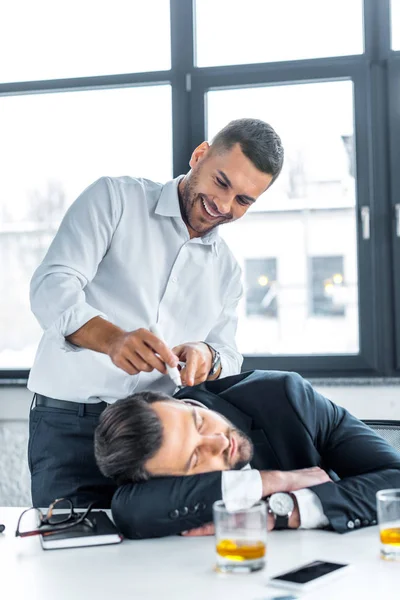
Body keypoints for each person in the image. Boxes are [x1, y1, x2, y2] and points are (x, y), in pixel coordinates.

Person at [27, 119, 284, 508]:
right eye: (221, 182)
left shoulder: (227, 271)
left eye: (244, 201)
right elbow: (51, 286)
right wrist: (113, 339)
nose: (224, 206)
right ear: (199, 156)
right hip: (71, 430)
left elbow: (228, 355)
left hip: (167, 448)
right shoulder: (114, 199)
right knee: (73, 557)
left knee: (162, 563)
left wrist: (206, 355)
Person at [94, 370, 400, 539]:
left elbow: (396, 479)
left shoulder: (287, 399)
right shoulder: (145, 467)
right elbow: (129, 512)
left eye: (199, 422)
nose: (216, 442)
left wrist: (286, 509)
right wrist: (273, 481)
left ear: (187, 404)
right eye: (195, 459)